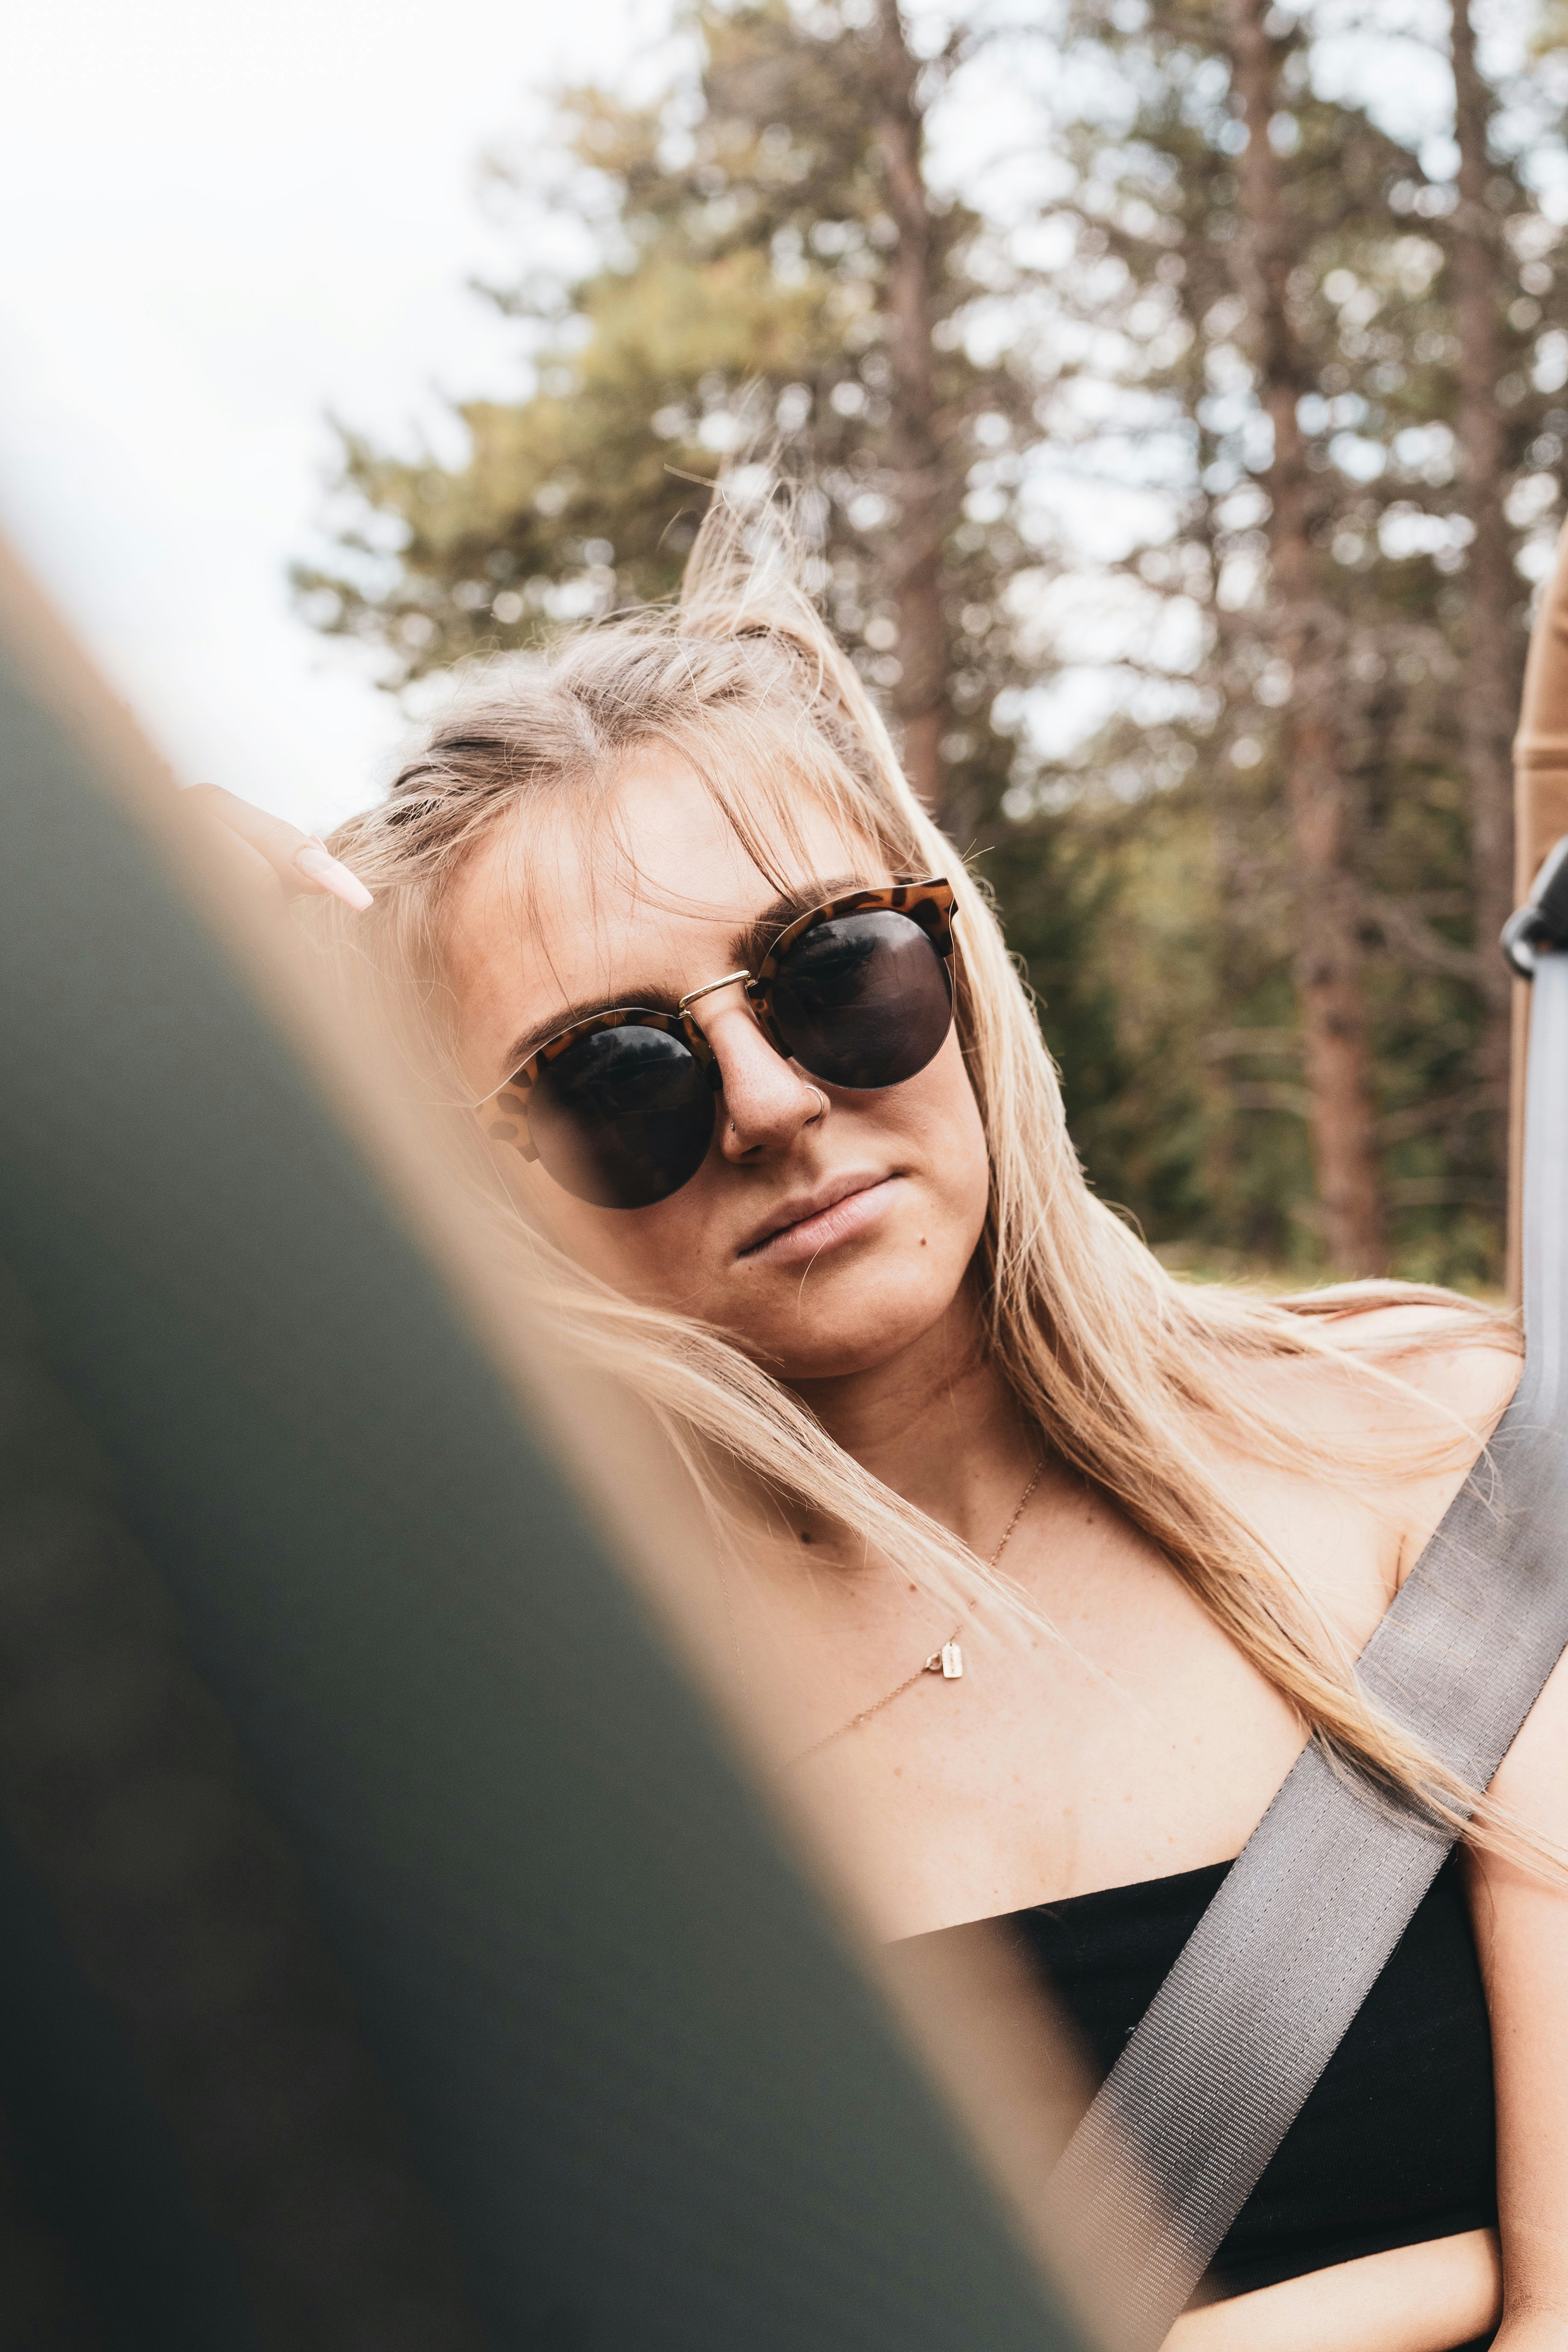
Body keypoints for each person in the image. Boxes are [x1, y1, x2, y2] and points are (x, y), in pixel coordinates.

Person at [190, 497, 1567, 2352]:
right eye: (619, 1078)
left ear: (957, 959)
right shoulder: (508, 1738)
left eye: (833, 969)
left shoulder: (1438, 1464)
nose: (768, 1101)